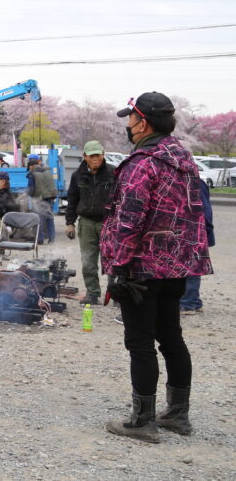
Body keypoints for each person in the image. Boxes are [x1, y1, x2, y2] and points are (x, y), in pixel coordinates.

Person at [101, 91, 213, 442]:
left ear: (143, 122)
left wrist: (118, 268)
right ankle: (178, 415)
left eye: (130, 119)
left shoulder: (142, 164)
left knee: (140, 343)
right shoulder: (184, 160)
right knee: (172, 338)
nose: (128, 126)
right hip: (177, 266)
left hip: (142, 269)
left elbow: (128, 221)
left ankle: (142, 421)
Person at [64, 141, 116, 305]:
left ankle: (115, 294)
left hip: (109, 222)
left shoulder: (113, 173)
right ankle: (92, 293)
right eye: (91, 155)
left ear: (103, 154)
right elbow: (72, 200)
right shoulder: (77, 175)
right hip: (86, 222)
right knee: (87, 260)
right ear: (85, 156)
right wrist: (70, 222)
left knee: (113, 260)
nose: (95, 159)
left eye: (98, 155)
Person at [180, 178, 214, 315]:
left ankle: (188, 303)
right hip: (194, 229)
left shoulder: (195, 183)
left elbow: (205, 212)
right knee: (191, 265)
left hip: (193, 229)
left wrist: (206, 230)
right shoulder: (196, 181)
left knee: (190, 266)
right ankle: (193, 301)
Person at [26, 154, 58, 243]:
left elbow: (31, 189)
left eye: (29, 167)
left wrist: (27, 195)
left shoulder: (32, 174)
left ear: (32, 166)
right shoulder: (47, 172)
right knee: (49, 217)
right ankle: (52, 238)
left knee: (38, 218)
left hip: (39, 198)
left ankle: (40, 239)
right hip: (50, 197)